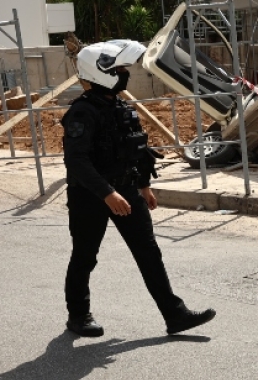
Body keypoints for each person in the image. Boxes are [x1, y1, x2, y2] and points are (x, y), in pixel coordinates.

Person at [61, 40, 216, 337]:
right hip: (91, 196)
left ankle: (175, 315)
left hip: (127, 190)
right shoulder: (82, 112)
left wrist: (144, 185)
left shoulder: (119, 106)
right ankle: (78, 315)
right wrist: (107, 193)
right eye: (118, 69)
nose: (124, 73)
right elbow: (76, 160)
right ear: (99, 72)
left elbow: (136, 149)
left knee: (148, 252)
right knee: (85, 255)